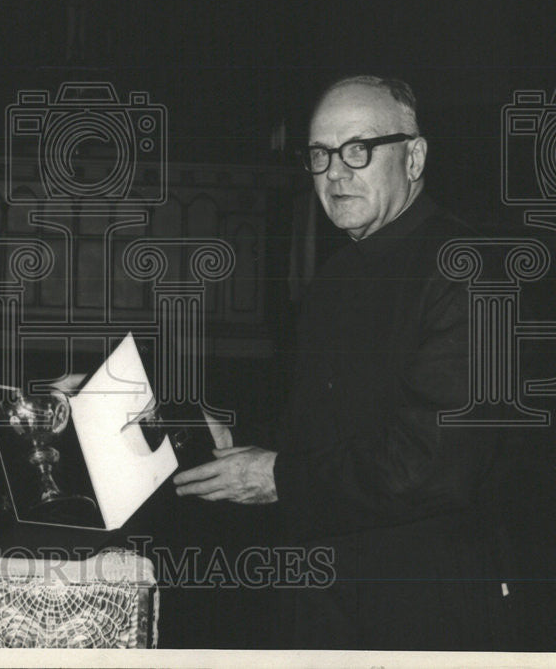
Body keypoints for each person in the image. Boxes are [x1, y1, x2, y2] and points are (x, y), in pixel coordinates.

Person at [174, 76, 510, 650]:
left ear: (415, 156)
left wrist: (276, 476)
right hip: (321, 598)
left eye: (358, 149)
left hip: (416, 606)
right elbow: (319, 426)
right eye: (320, 154)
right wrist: (232, 437)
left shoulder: (466, 271)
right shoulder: (334, 277)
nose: (335, 172)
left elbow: (431, 465)